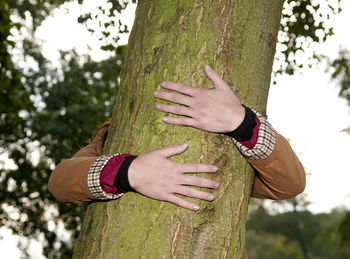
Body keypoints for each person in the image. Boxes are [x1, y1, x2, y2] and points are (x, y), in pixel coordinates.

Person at [48, 65, 306, 212]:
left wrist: (243, 123)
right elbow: (59, 183)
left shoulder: (235, 151)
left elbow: (290, 184)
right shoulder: (109, 134)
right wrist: (128, 172)